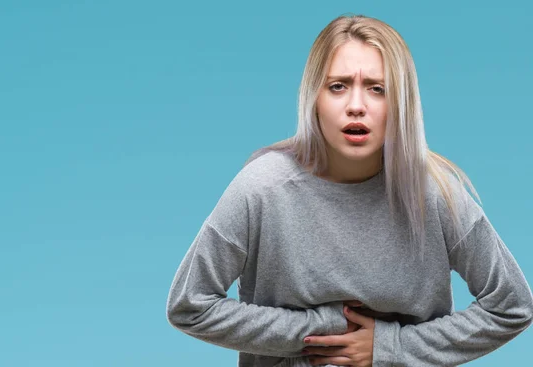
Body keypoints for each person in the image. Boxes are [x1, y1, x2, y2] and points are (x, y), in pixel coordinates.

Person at [165, 14, 533, 367]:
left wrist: (390, 347)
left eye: (377, 89)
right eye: (338, 86)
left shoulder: (436, 194)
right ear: (314, 98)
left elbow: (512, 306)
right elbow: (190, 304)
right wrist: (319, 330)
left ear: (400, 104)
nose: (356, 106)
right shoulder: (260, 189)